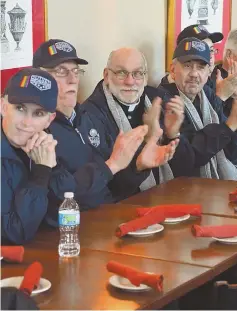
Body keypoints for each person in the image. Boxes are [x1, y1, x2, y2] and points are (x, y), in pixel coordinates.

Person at [33, 39, 177, 208]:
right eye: (61, 72)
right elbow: (61, 196)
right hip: (74, 227)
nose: (72, 79)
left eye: (75, 71)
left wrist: (138, 166)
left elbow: (112, 188)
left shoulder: (84, 118)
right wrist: (111, 165)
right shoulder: (36, 129)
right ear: (38, 79)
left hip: (110, 216)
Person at [82, 47, 192, 196]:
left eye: (138, 73)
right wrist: (147, 140)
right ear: (106, 75)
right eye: (121, 73)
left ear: (145, 78)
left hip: (167, 197)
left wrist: (173, 133)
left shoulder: (159, 100)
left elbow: (187, 169)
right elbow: (107, 188)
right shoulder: (90, 115)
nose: (130, 81)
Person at [159, 37, 237, 180]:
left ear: (209, 72)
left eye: (201, 67)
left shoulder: (207, 95)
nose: (194, 74)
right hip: (182, 187)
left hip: (219, 177)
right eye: (187, 66)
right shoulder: (164, 100)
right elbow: (188, 161)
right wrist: (229, 125)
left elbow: (233, 150)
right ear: (172, 69)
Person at [1, 68, 58, 244]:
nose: (27, 123)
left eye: (38, 114)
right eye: (20, 108)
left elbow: (61, 216)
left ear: (49, 120)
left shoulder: (42, 145)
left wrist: (52, 167)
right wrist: (41, 173)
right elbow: (13, 233)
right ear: (3, 107)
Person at [162, 24, 237, 102]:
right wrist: (220, 97)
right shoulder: (168, 95)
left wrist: (236, 97)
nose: (210, 57)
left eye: (211, 50)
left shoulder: (211, 79)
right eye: (203, 51)